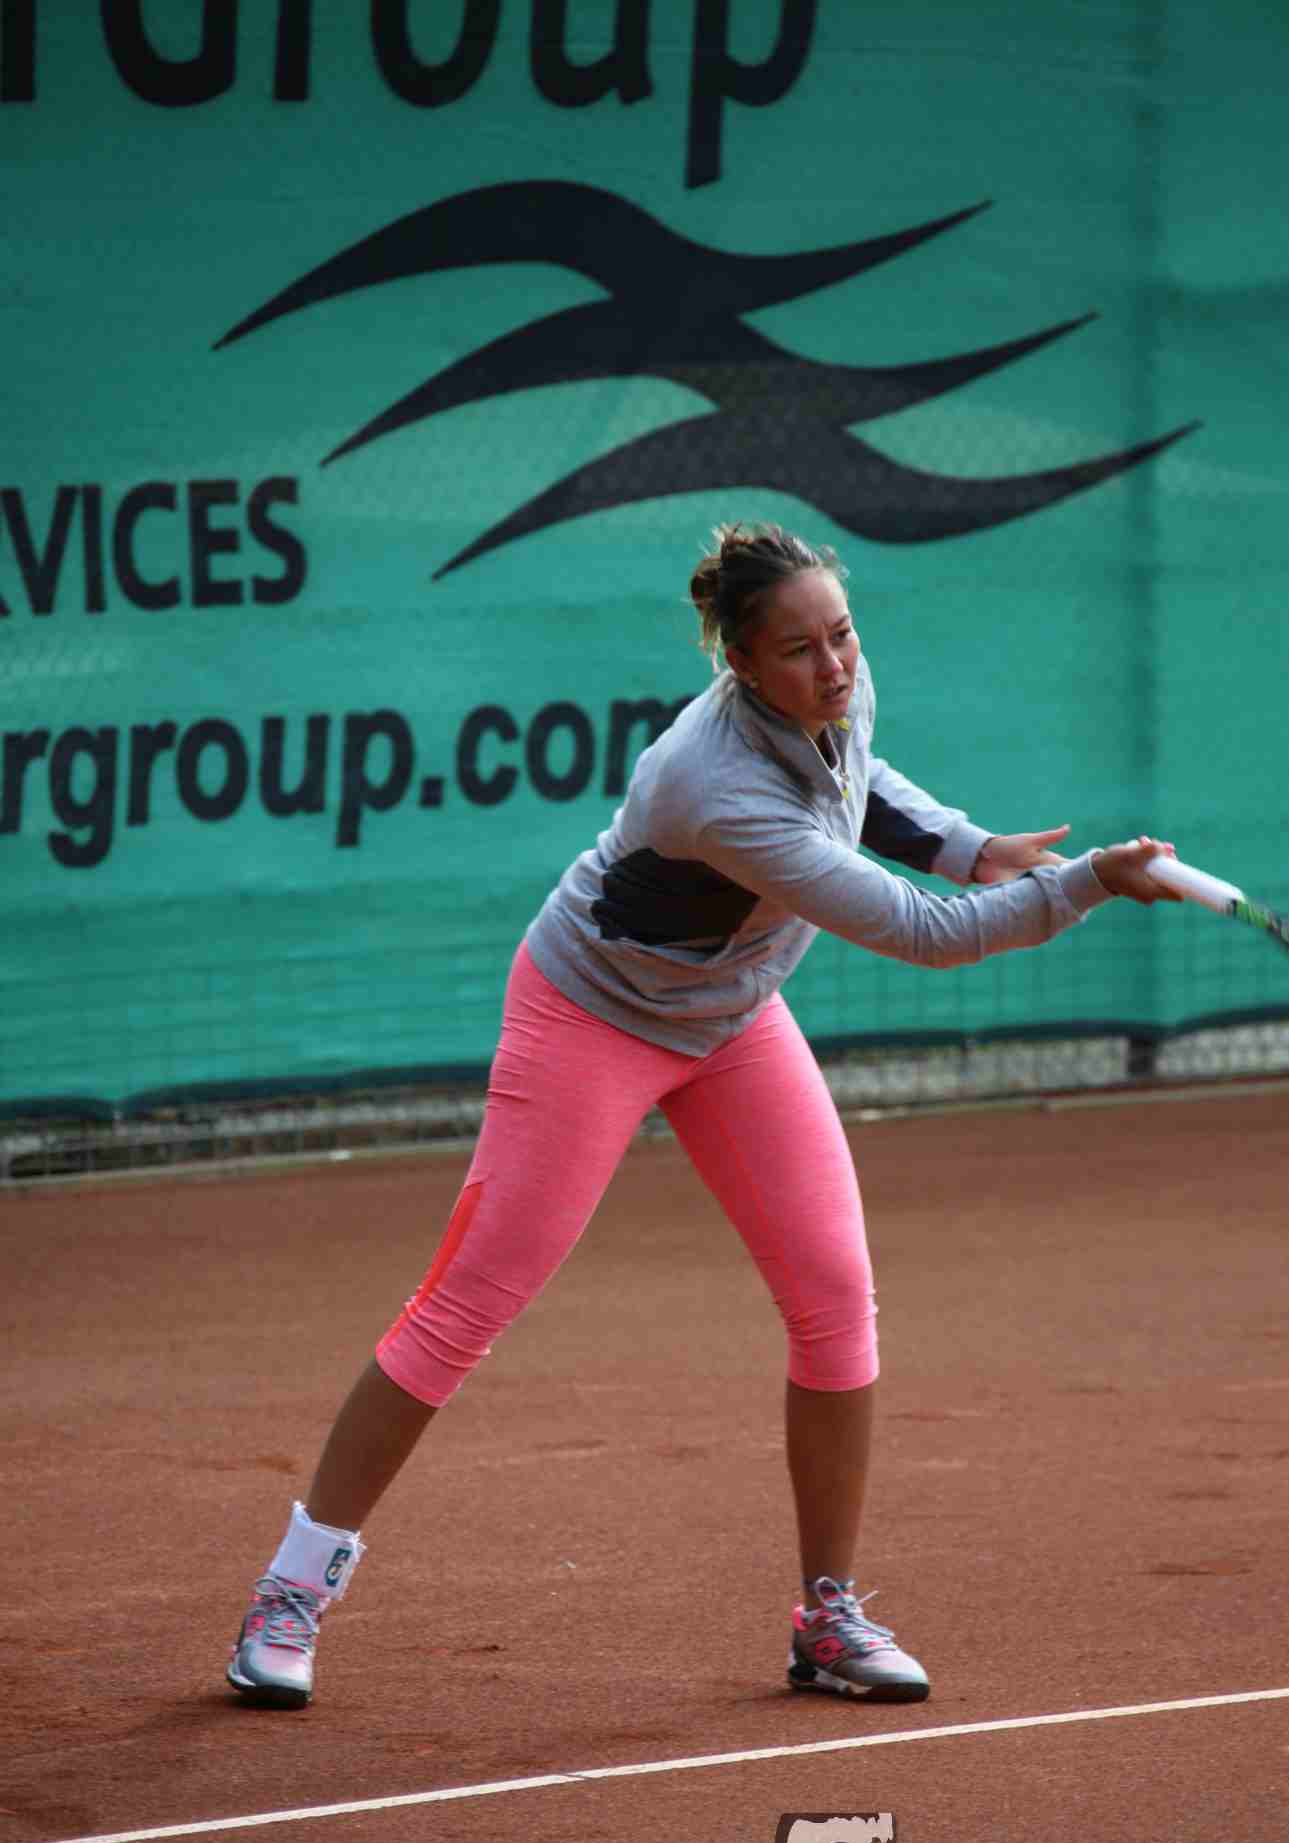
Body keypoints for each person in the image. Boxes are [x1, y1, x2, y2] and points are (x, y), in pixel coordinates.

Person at [226, 521, 1176, 1712]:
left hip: (732, 1016)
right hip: (591, 1016)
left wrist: (966, 845)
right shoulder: (713, 787)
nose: (833, 666)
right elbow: (923, 935)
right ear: (739, 662)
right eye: (799, 651)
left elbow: (855, 777)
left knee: (833, 1296)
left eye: (842, 636)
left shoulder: (836, 683)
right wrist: (1083, 885)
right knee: (467, 1304)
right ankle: (290, 1591)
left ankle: (827, 1615)